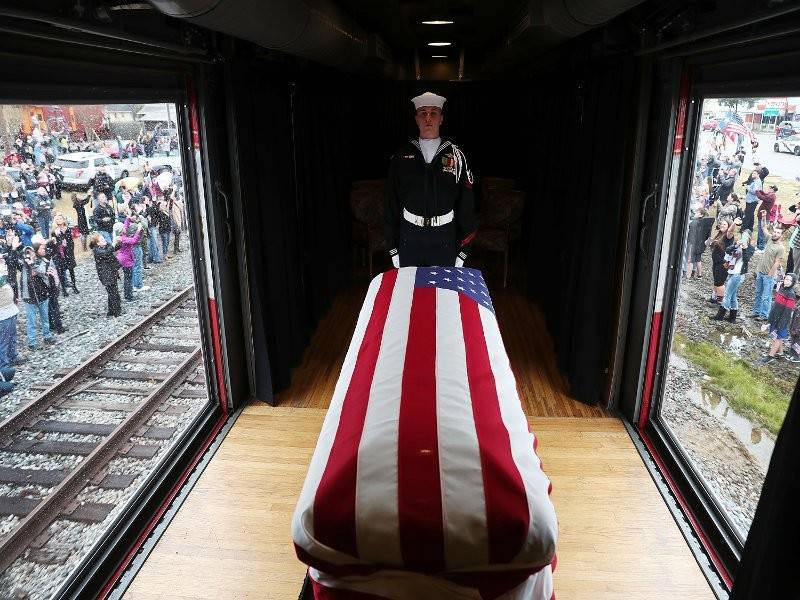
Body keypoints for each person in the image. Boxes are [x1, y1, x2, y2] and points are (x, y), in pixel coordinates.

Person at [384, 91, 476, 268]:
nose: (428, 118)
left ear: (441, 118)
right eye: (423, 113)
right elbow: (391, 202)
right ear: (416, 119)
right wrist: (392, 247)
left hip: (444, 240)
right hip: (410, 239)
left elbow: (467, 205)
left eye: (433, 113)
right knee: (411, 294)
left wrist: (463, 250)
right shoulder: (401, 157)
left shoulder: (457, 156)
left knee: (443, 293)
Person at [18, 244, 54, 349]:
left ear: (34, 252)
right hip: (29, 297)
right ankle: (32, 343)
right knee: (31, 321)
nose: (29, 254)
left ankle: (47, 336)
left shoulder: (41, 261)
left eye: (31, 252)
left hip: (42, 294)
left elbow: (42, 271)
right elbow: (16, 260)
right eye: (27, 253)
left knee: (45, 318)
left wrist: (33, 265)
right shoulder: (23, 265)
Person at [714, 230, 754, 323]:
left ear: (749, 237)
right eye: (743, 235)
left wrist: (744, 249)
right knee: (732, 295)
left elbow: (746, 259)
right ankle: (732, 317)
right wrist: (736, 245)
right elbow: (727, 250)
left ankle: (720, 316)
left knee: (727, 294)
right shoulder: (737, 244)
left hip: (738, 274)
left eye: (746, 236)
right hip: (731, 271)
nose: (744, 237)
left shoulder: (750, 248)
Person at [752, 219, 786, 321]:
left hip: (769, 275)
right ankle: (756, 312)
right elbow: (764, 228)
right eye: (775, 232)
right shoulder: (770, 239)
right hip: (760, 272)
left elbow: (777, 262)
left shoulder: (781, 248)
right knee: (758, 293)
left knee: (766, 296)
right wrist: (764, 216)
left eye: (778, 233)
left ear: (781, 235)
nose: (775, 234)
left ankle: (764, 315)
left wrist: (770, 274)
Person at [760, 273, 797, 365]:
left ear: (793, 283)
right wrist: (770, 319)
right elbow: (775, 305)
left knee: (777, 338)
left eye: (789, 280)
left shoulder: (791, 294)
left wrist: (782, 323)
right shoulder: (781, 289)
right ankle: (780, 353)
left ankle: (770, 356)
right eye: (786, 279)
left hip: (782, 321)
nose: (787, 281)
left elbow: (788, 311)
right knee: (776, 337)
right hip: (774, 317)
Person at [89, 232, 122, 317]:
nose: (104, 240)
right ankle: (117, 312)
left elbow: (114, 248)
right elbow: (106, 252)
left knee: (112, 292)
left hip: (111, 272)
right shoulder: (97, 250)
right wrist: (113, 244)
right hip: (106, 274)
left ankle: (111, 311)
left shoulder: (107, 246)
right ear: (97, 243)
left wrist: (120, 242)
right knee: (114, 293)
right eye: (102, 240)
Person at [0, 258, 21, 367]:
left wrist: (13, 298)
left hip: (10, 308)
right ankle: (4, 366)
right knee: (4, 340)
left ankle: (13, 356)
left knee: (12, 335)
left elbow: (7, 284)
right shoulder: (1, 272)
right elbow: (2, 280)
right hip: (2, 312)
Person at [708, 218, 735, 305]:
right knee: (716, 281)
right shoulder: (719, 235)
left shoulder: (728, 237)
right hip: (716, 262)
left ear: (728, 227)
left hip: (723, 263)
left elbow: (730, 232)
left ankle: (720, 302)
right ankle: (714, 297)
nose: (722, 225)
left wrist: (734, 223)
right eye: (722, 224)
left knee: (720, 283)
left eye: (725, 224)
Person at [116, 217, 142, 302]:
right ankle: (129, 297)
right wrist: (138, 230)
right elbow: (134, 240)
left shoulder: (121, 236)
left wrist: (129, 218)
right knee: (128, 279)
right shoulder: (123, 239)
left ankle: (128, 295)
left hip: (123, 258)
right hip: (126, 260)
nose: (125, 227)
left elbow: (126, 225)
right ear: (121, 230)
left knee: (127, 278)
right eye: (123, 227)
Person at [50, 213, 78, 295]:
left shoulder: (68, 229)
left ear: (63, 219)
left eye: (60, 218)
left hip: (69, 252)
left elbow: (71, 241)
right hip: (60, 254)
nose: (59, 220)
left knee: (71, 270)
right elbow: (54, 244)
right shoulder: (54, 232)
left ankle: (74, 285)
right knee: (61, 272)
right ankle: (63, 289)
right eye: (57, 219)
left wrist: (71, 251)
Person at [686, 206, 709, 279]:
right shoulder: (704, 223)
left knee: (690, 260)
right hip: (700, 245)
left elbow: (692, 235)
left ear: (701, 215)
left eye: (697, 212)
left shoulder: (694, 222)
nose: (695, 213)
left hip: (693, 243)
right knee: (698, 260)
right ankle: (699, 275)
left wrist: (690, 245)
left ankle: (688, 276)